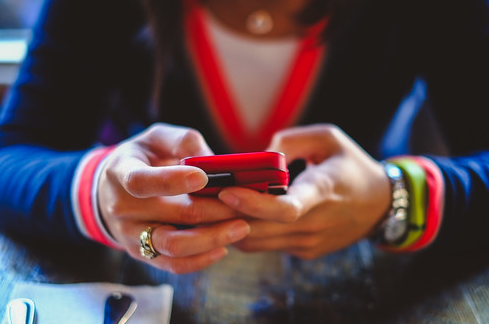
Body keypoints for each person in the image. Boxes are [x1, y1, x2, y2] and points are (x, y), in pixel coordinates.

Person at [0, 0, 488, 274]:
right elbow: (10, 159)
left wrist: (393, 199)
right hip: (154, 282)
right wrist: (97, 196)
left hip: (364, 276)